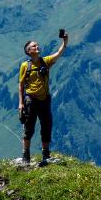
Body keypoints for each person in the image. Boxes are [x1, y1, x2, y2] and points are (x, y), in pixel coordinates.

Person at [18, 31, 68, 166]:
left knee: (46, 126)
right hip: (30, 99)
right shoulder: (25, 66)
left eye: (37, 45)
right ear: (28, 51)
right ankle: (25, 155)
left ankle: (46, 154)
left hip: (45, 100)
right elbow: (21, 85)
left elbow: (59, 53)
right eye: (34, 46)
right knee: (29, 127)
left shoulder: (45, 61)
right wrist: (21, 103)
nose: (37, 47)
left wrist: (65, 41)